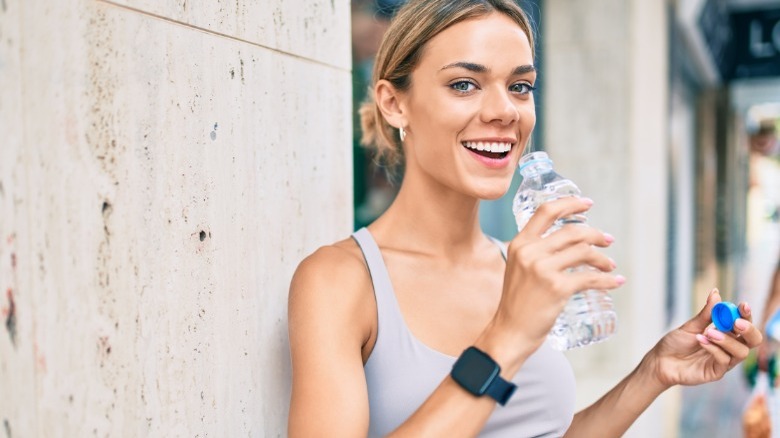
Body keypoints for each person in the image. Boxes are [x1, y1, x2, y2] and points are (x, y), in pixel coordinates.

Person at [287, 1, 762, 436]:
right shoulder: (340, 281)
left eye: (520, 86)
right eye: (464, 84)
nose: (504, 111)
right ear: (394, 102)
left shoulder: (515, 267)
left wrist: (653, 373)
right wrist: (506, 338)